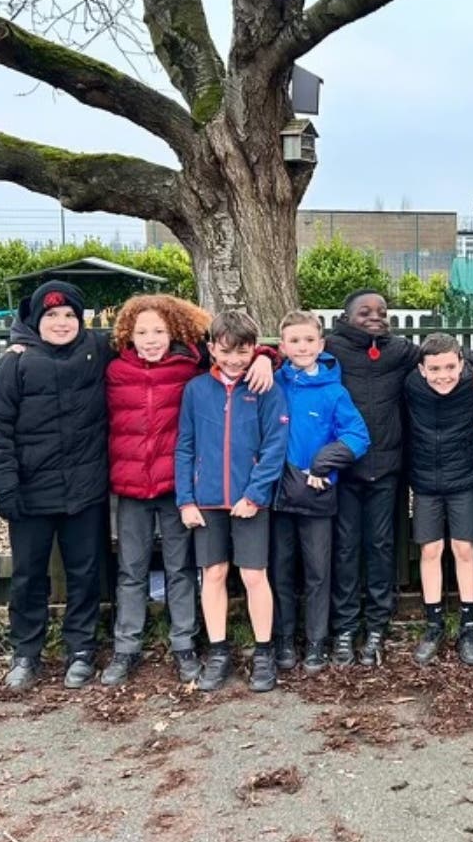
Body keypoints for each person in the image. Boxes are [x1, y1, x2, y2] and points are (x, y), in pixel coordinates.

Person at [324, 289, 473, 667]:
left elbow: (442, 355)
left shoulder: (399, 350)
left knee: (381, 546)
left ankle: (379, 625)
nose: (375, 316)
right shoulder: (331, 348)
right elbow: (293, 358)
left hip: (387, 468)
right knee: (346, 548)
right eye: (364, 311)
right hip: (345, 467)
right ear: (347, 317)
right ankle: (347, 627)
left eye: (381, 311)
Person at [0, 280, 112, 691]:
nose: (61, 322)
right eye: (51, 315)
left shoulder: (99, 350)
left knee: (86, 572)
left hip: (85, 488)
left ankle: (81, 649)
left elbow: (163, 344)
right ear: (37, 320)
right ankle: (26, 651)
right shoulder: (16, 363)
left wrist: (264, 358)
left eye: (69, 314)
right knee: (28, 575)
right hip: (31, 491)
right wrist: (4, 484)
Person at [101, 295, 214, 687]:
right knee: (130, 570)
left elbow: (239, 349)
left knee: (179, 568)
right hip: (130, 488)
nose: (151, 339)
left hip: (175, 487)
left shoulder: (190, 369)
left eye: (160, 331)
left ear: (174, 333)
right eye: (142, 332)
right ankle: (126, 647)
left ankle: (184, 643)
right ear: (128, 335)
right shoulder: (114, 370)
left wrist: (266, 356)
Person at [176, 311, 289, 693]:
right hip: (206, 500)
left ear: (253, 349)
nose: (234, 359)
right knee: (214, 574)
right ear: (211, 349)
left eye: (243, 351)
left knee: (255, 575)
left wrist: (255, 494)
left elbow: (276, 444)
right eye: (226, 351)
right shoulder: (195, 391)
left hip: (250, 500)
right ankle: (219, 650)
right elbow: (185, 446)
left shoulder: (266, 387)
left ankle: (263, 652)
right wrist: (185, 499)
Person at [271, 310, 370, 675]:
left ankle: (316, 640)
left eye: (309, 340)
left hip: (316, 493)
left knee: (317, 571)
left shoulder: (333, 391)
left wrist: (324, 462)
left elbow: (358, 436)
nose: (302, 347)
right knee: (280, 569)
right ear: (282, 347)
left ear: (321, 344)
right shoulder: (271, 384)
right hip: (277, 494)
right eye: (294, 341)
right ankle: (282, 638)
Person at [404, 333, 473, 666]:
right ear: (422, 369)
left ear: (461, 363)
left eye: (450, 366)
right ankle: (433, 622)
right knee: (430, 550)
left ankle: (469, 624)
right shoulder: (410, 386)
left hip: (462, 479)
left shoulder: (472, 384)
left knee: (464, 548)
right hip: (424, 482)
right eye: (435, 368)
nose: (443, 375)